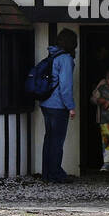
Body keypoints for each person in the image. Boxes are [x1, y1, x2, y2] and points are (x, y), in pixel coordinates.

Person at [40, 27, 77, 183]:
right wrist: (71, 106)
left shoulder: (53, 54)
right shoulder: (66, 59)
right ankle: (56, 174)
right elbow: (65, 86)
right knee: (57, 141)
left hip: (46, 103)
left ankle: (47, 173)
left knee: (49, 139)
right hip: (58, 106)